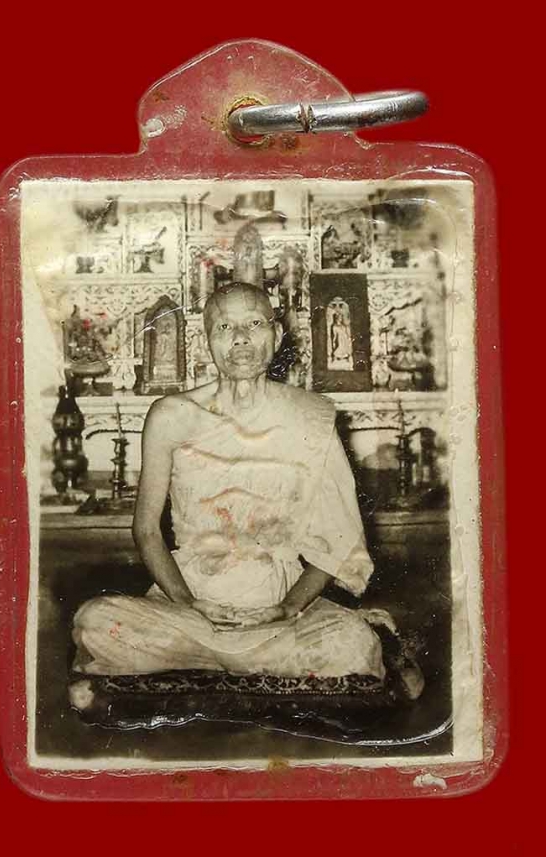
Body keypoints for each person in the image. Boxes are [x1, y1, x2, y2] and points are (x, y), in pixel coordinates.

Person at [72, 282, 416, 688]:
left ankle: (209, 664)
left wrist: (287, 609)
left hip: (278, 606)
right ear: (205, 341)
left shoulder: (310, 416)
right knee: (95, 622)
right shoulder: (171, 416)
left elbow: (337, 539)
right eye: (224, 327)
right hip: (189, 604)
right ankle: (247, 663)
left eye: (254, 323)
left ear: (277, 334)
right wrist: (188, 603)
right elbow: (146, 530)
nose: (240, 338)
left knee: (351, 644)